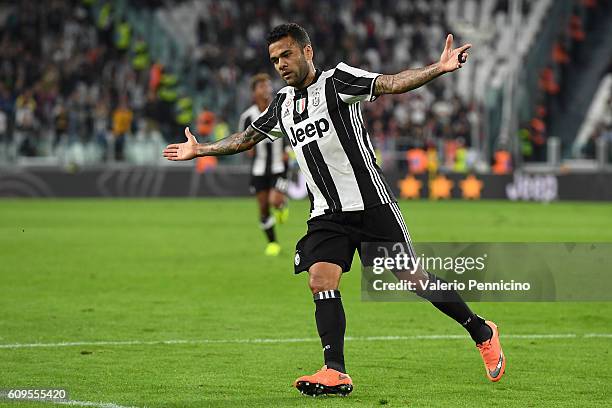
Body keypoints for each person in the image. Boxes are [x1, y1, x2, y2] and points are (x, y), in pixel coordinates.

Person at [163, 23, 505, 397]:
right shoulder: (282, 105)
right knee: (320, 280)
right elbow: (246, 138)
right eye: (274, 59)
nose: (280, 64)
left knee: (415, 280)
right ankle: (335, 370)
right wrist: (202, 150)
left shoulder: (338, 81)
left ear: (307, 52)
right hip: (326, 214)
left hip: (371, 205)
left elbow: (391, 83)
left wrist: (437, 68)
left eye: (286, 54)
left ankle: (480, 331)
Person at [238, 73, 290, 256]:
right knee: (263, 207)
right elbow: (242, 140)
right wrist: (247, 149)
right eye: (261, 86)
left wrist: (287, 150)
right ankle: (273, 243)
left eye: (268, 85)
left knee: (274, 200)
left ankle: (282, 205)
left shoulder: (280, 109)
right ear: (254, 92)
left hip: (279, 166)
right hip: (258, 168)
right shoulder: (247, 116)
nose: (266, 89)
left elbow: (289, 130)